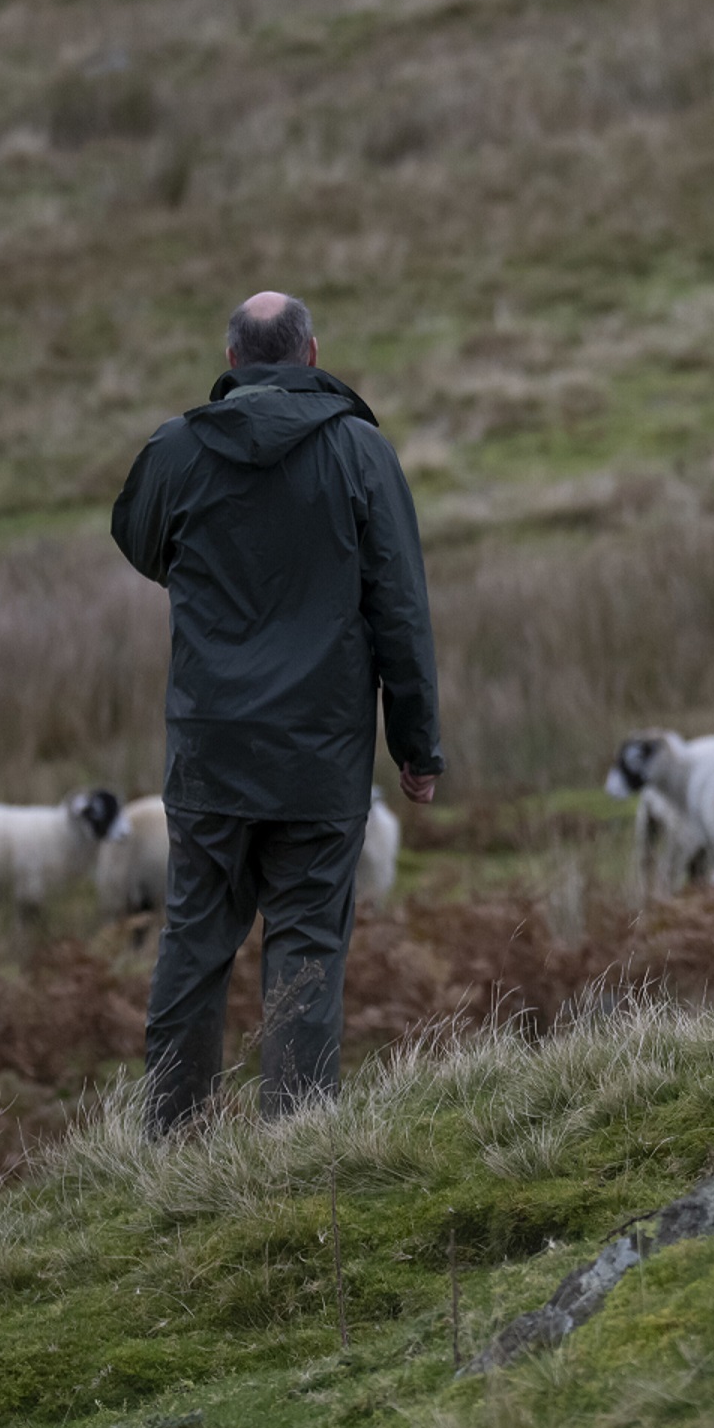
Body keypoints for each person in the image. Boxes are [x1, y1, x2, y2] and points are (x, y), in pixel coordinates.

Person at [111, 291, 442, 1133]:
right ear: (312, 353)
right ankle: (294, 1141)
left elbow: (141, 539)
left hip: (210, 748)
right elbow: (399, 605)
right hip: (319, 752)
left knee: (193, 942)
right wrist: (417, 745)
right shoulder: (362, 453)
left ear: (232, 362)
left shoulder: (177, 450)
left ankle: (173, 1138)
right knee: (305, 943)